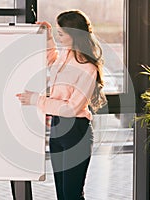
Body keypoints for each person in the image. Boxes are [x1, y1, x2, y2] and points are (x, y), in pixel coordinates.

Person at [16, 9, 107, 200]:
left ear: (74, 34)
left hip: (77, 132)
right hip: (58, 129)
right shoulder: (65, 55)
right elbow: (51, 60)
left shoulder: (88, 68)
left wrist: (36, 100)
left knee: (72, 195)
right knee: (61, 194)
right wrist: (47, 35)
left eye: (61, 34)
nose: (59, 37)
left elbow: (72, 108)